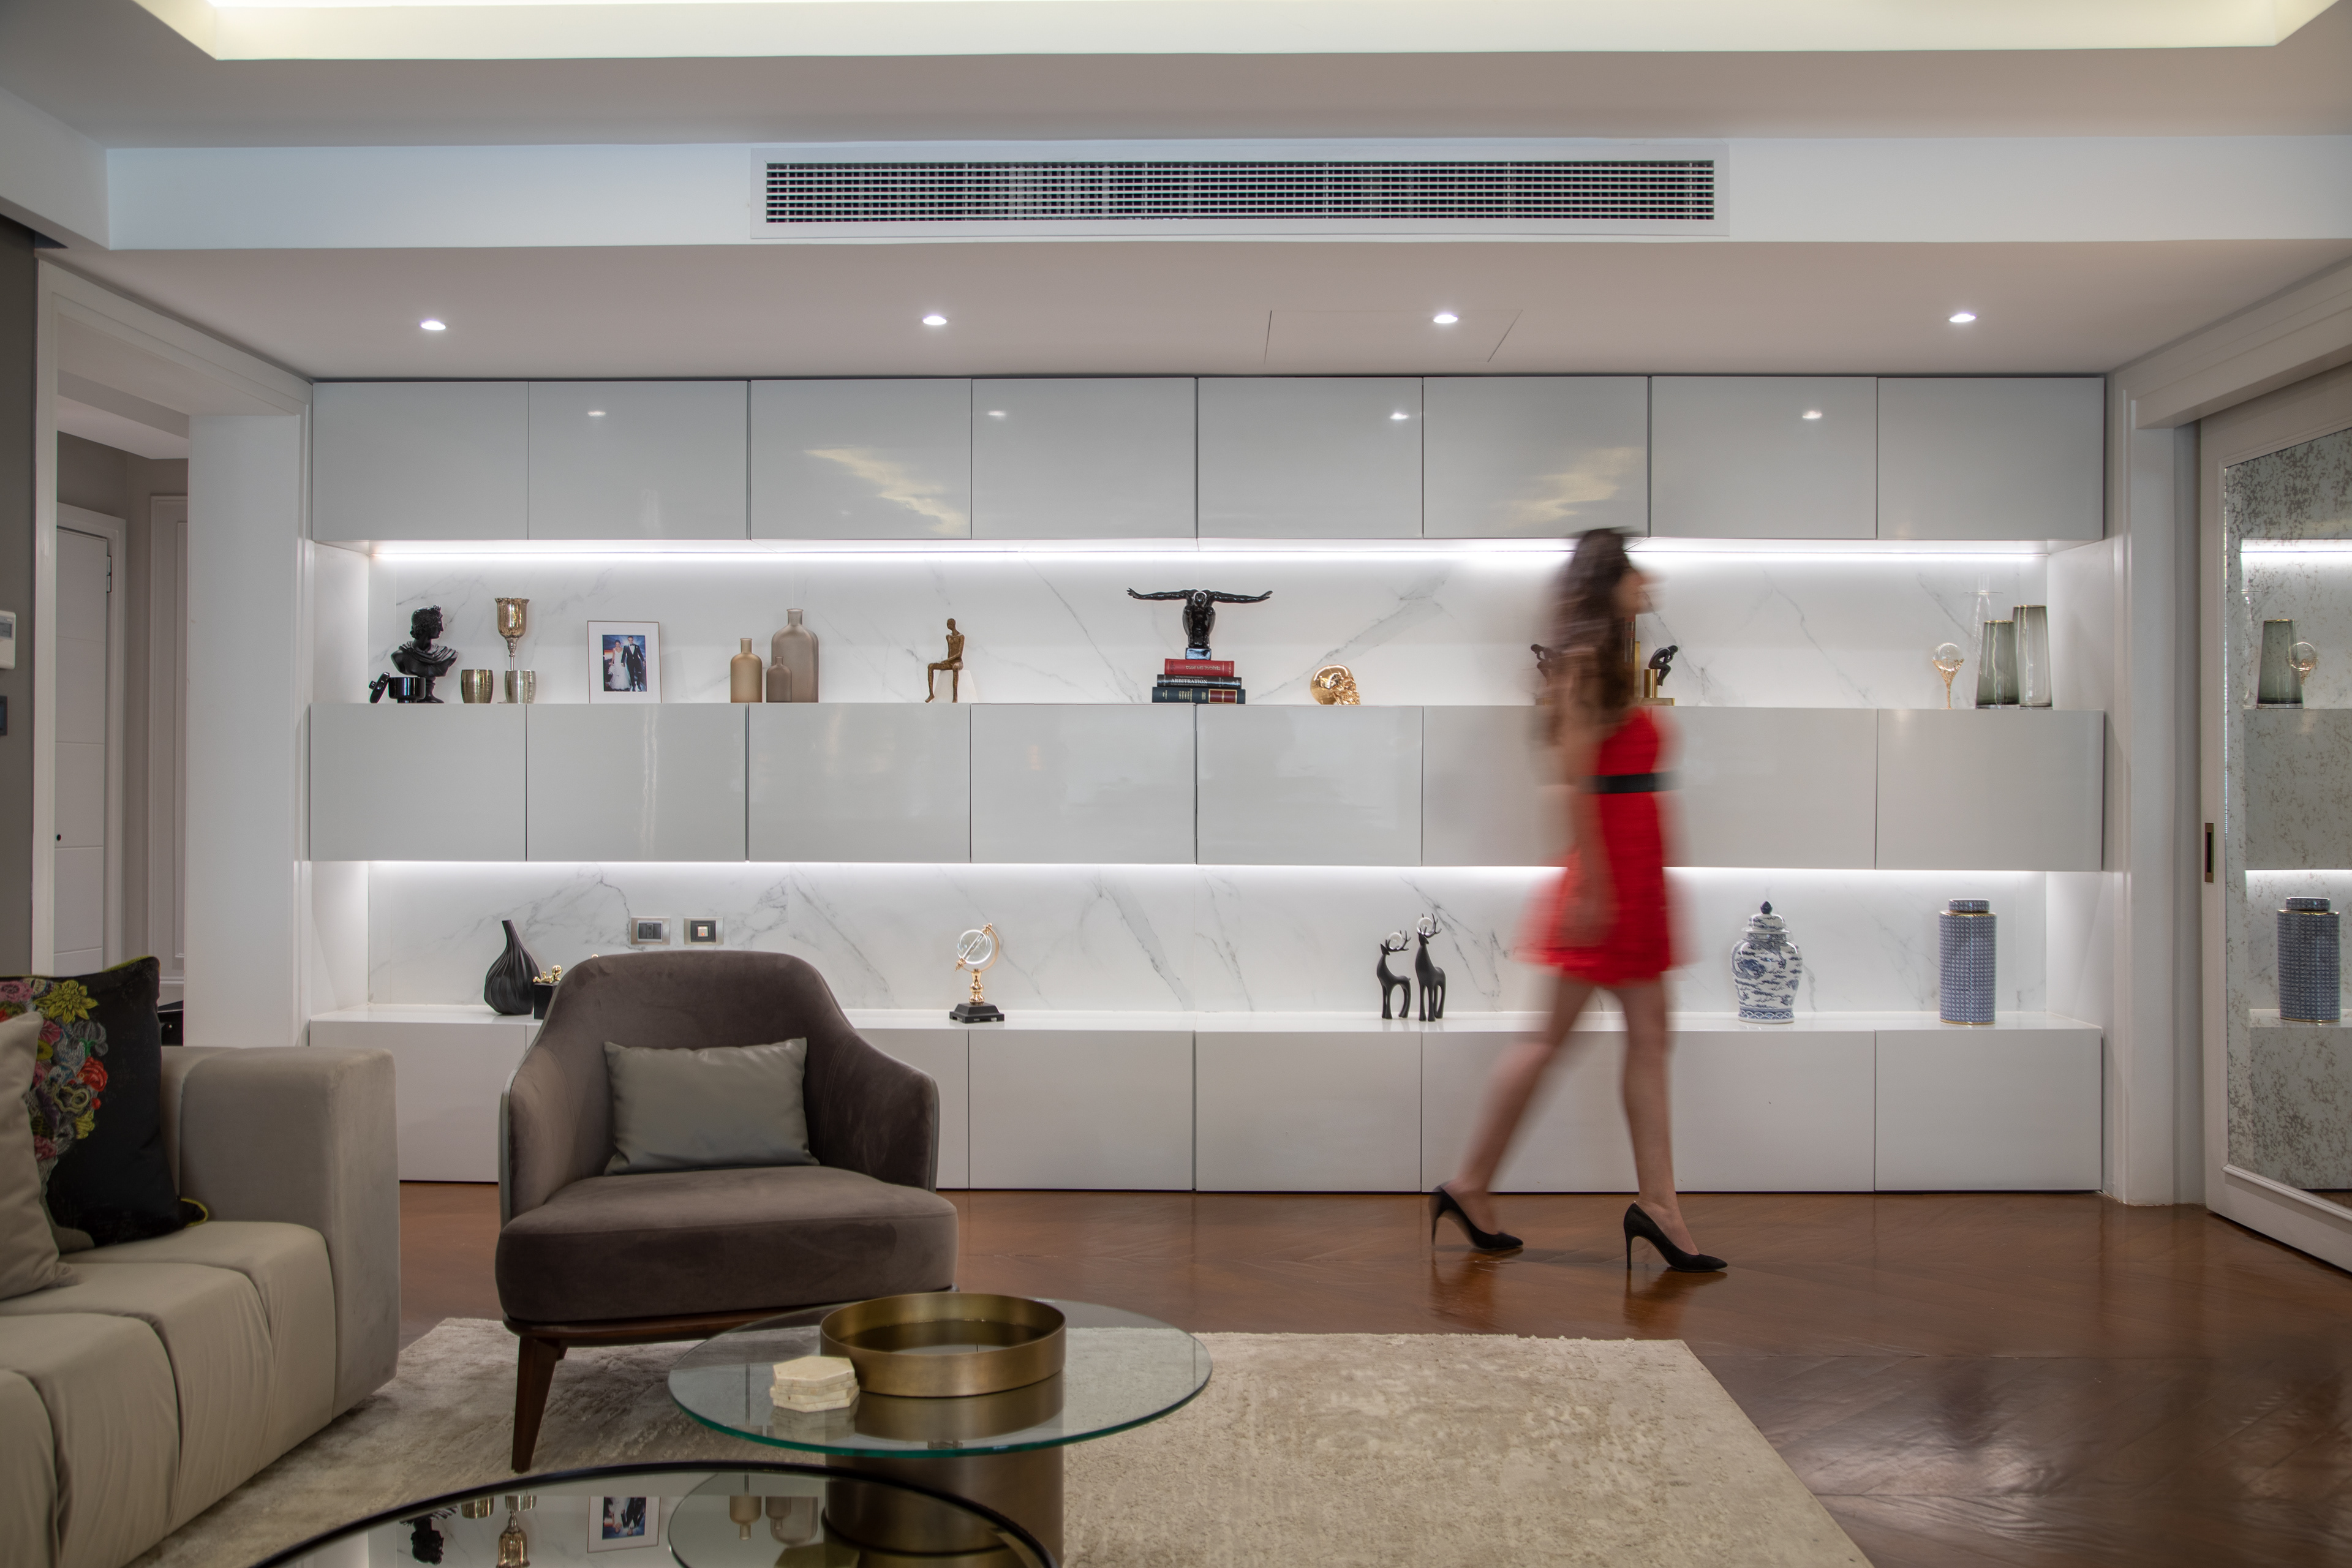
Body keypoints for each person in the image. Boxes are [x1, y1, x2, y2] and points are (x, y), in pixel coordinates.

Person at [1433, 528, 1725, 1273]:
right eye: (1634, 570)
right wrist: (1594, 882)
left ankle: (1650, 1204)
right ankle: (1474, 1184)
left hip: (1631, 871)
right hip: (1610, 875)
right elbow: (1574, 781)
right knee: (1559, 1039)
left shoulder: (1609, 662)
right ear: (1609, 580)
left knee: (1640, 1035)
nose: (1648, 581)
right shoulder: (1588, 664)